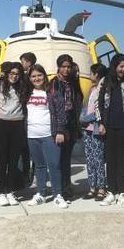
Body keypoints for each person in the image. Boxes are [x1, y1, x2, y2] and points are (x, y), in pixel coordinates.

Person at [96, 54, 124, 208]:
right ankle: (111, 192)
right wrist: (100, 122)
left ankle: (121, 193)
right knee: (110, 160)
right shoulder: (105, 81)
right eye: (121, 66)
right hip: (108, 126)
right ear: (115, 66)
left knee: (121, 159)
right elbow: (98, 103)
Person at [25, 64, 69, 208]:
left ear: (44, 76)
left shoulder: (52, 92)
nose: (36, 78)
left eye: (39, 75)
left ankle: (58, 194)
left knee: (54, 165)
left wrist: (60, 131)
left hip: (50, 135)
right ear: (29, 78)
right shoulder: (26, 93)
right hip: (32, 135)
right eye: (33, 76)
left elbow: (61, 113)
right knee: (39, 166)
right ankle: (41, 194)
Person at [49, 54, 83, 198]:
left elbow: (78, 101)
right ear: (58, 67)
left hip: (72, 124)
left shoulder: (74, 82)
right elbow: (54, 108)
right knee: (57, 158)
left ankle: (66, 186)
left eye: (69, 66)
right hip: (58, 124)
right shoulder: (54, 83)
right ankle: (59, 188)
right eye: (63, 66)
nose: (66, 69)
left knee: (66, 158)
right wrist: (59, 129)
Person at [0, 62, 28, 206]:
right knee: (2, 161)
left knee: (14, 161)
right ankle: (1, 192)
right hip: (2, 124)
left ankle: (10, 191)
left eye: (17, 74)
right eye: (12, 73)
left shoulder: (23, 87)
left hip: (18, 124)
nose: (14, 76)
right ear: (7, 73)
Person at [80, 63, 108, 201]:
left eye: (91, 73)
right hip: (87, 129)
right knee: (90, 159)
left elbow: (100, 110)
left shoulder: (102, 89)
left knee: (98, 159)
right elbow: (87, 107)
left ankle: (102, 187)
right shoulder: (92, 89)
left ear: (96, 74)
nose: (90, 75)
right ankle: (92, 187)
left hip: (96, 128)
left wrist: (86, 118)